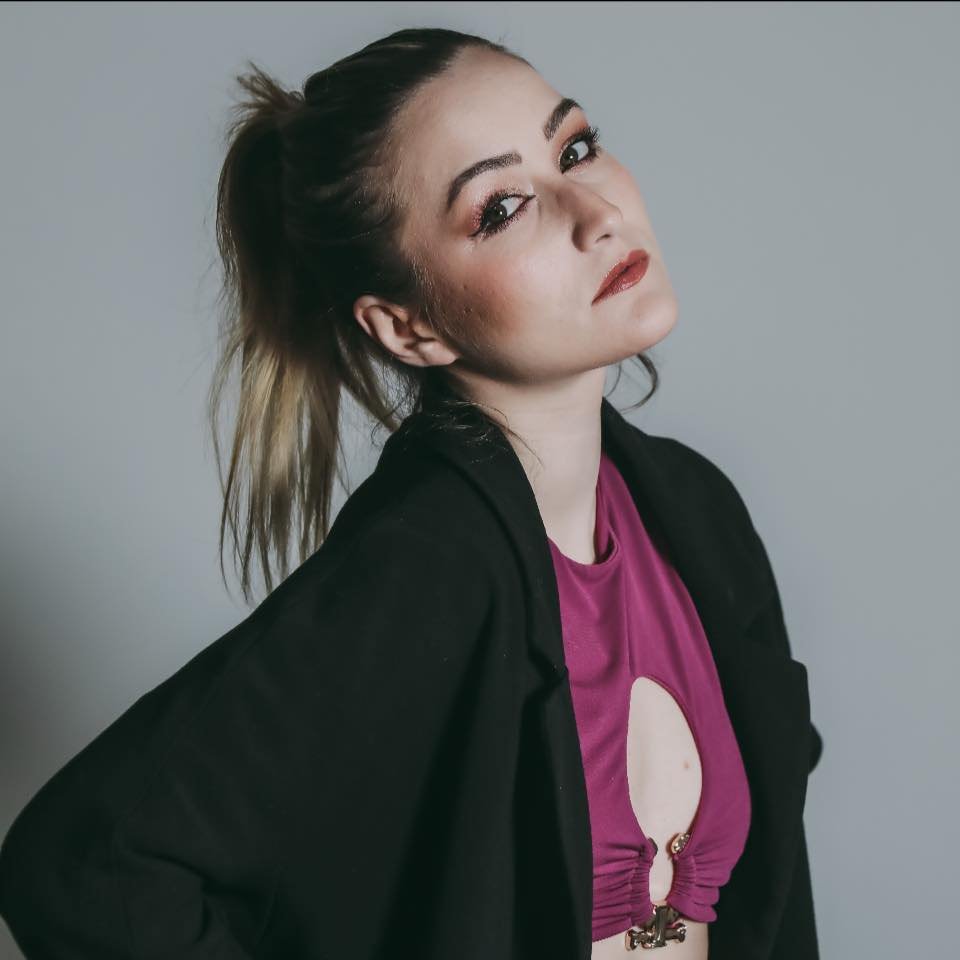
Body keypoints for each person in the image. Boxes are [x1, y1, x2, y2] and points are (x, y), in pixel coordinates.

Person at [0, 26, 822, 960]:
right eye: (501, 207)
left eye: (575, 148)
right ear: (409, 327)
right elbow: (83, 865)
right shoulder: (427, 566)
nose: (594, 212)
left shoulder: (695, 511)